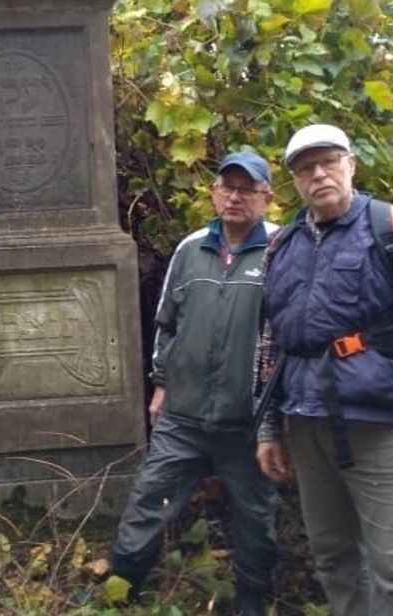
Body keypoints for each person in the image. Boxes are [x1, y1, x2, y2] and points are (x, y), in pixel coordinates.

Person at [253, 124, 393, 616]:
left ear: (351, 164)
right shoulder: (281, 247)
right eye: (306, 168)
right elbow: (269, 342)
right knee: (332, 558)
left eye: (329, 161)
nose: (319, 174)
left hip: (382, 428)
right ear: (295, 181)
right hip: (307, 426)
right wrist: (267, 427)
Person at [108, 149, 280, 615]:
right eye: (228, 187)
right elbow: (167, 322)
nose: (236, 197)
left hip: (250, 422)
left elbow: (290, 332)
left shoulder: (282, 250)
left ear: (267, 198)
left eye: (248, 189)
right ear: (214, 192)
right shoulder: (190, 248)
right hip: (183, 415)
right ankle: (118, 589)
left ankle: (252, 601)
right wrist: (161, 383)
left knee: (256, 517)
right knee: (148, 500)